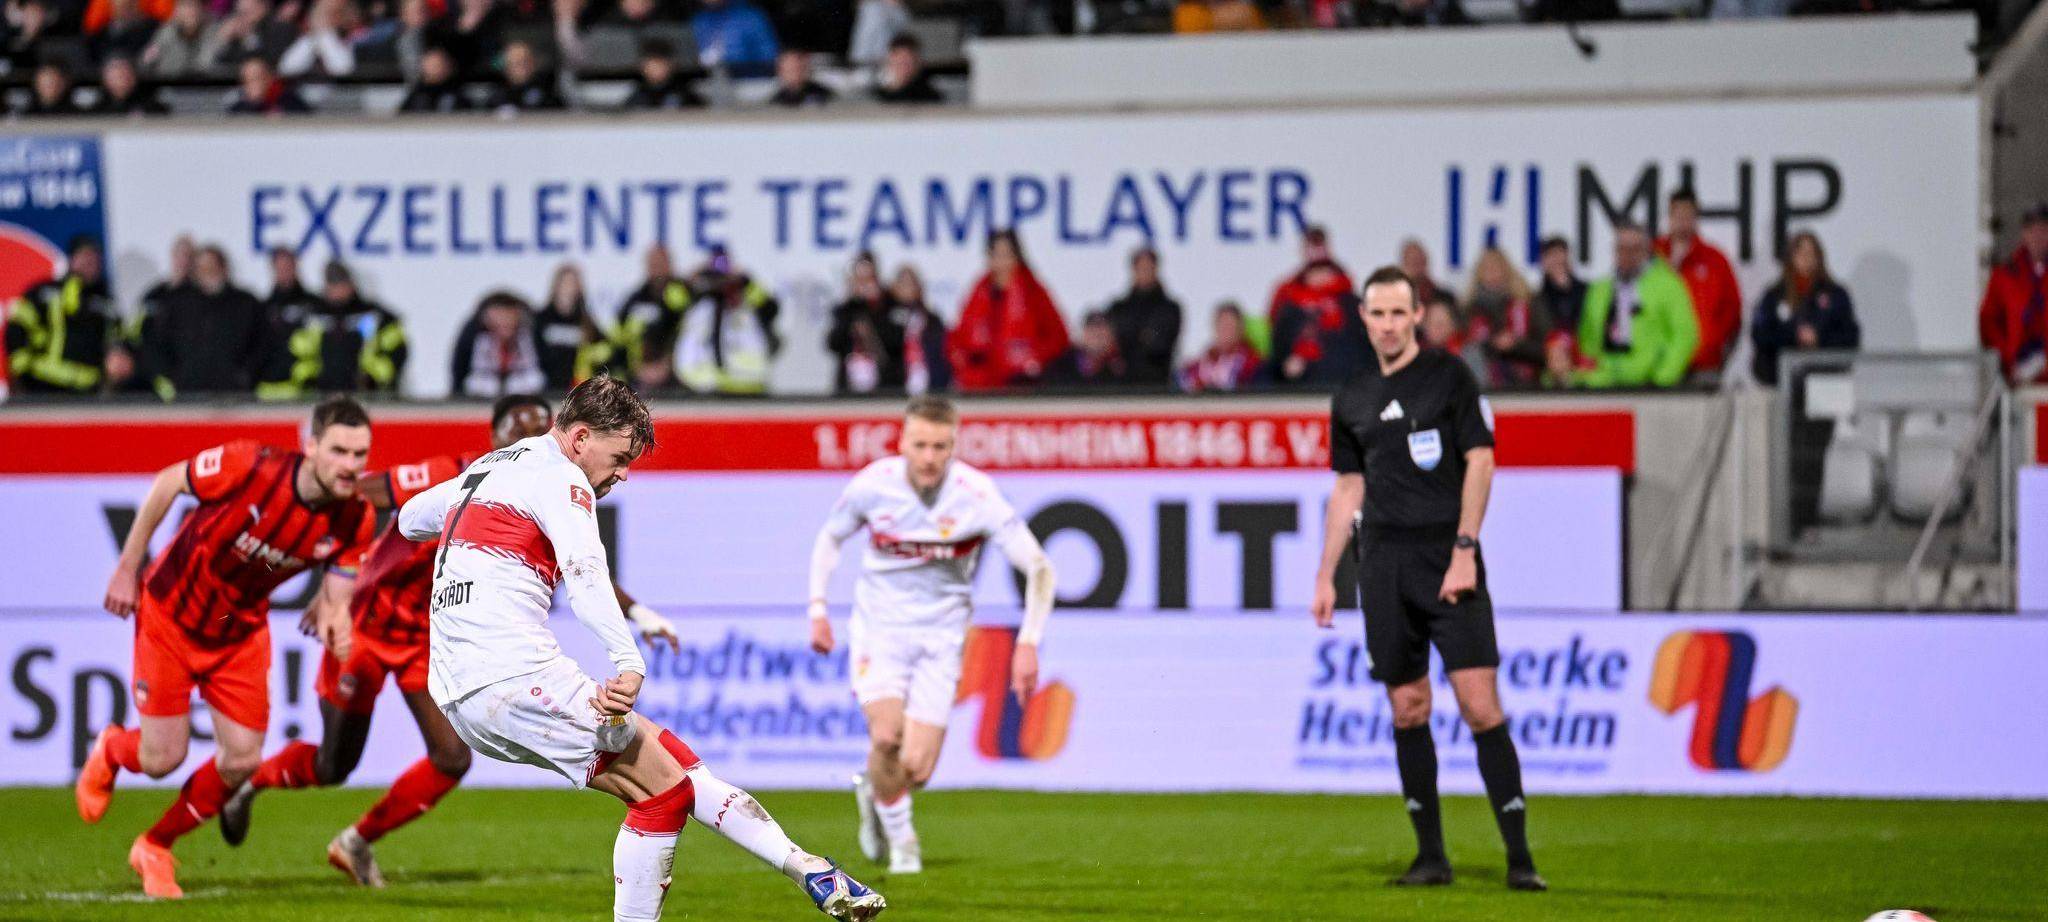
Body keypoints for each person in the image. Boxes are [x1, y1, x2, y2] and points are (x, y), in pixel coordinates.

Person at [397, 376, 887, 920]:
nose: (623, 473)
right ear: (580, 437)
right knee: (660, 796)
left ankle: (808, 867)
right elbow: (585, 573)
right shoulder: (563, 479)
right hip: (509, 676)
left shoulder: (494, 466)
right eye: (620, 456)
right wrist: (628, 661)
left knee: (680, 771)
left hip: (464, 688)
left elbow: (409, 518)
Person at [215, 395, 682, 886]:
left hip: (425, 637)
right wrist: (336, 576)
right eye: (515, 431)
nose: (528, 439)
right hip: (365, 626)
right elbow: (363, 493)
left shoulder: (542, 485)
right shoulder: (451, 476)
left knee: (452, 756)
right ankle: (252, 782)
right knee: (334, 764)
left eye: (538, 429)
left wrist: (638, 613)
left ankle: (356, 842)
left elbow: (582, 569)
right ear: (495, 436)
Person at [78, 397, 379, 899]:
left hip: (238, 634)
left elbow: (337, 592)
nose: (351, 465)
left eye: (360, 454)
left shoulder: (355, 519)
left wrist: (335, 617)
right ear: (311, 447)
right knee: (161, 759)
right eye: (340, 452)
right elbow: (168, 482)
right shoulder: (249, 464)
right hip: (170, 616)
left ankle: (154, 845)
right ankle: (111, 748)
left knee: (242, 761)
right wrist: (128, 567)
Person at [1310, 266, 1545, 893]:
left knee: (1479, 704)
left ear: (1417, 315)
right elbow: (1348, 487)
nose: (1387, 324)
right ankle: (1431, 857)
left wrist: (1466, 546)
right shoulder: (1352, 395)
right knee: (1408, 707)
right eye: (1376, 314)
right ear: (1363, 317)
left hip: (1446, 559)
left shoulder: (1449, 377)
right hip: (1382, 565)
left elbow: (1482, 460)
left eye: (1398, 313)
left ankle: (1519, 858)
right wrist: (1327, 573)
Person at [808, 395, 1055, 875]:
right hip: (881, 630)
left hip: (942, 638)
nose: (929, 457)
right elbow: (830, 538)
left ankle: (873, 793)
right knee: (886, 736)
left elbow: (1039, 566)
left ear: (954, 445)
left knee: (916, 768)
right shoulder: (874, 485)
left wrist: (1028, 641)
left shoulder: (976, 495)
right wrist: (818, 608)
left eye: (940, 446)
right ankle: (904, 848)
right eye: (920, 444)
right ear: (903, 441)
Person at [1573, 223, 1698, 389]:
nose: (1627, 255)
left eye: (1634, 249)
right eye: (1621, 248)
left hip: (1648, 386)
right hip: (1603, 386)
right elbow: (1587, 340)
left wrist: (1663, 378)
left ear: (1646, 251)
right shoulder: (1599, 290)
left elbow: (1685, 335)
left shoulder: (1668, 286)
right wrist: (1590, 375)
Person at [258, 261, 408, 397]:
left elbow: (396, 352)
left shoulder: (376, 317)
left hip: (368, 397)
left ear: (351, 284)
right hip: (322, 397)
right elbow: (298, 354)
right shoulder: (314, 318)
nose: (337, 290)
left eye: (341, 284)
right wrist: (309, 380)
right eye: (332, 284)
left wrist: (373, 379)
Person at [947, 230, 1068, 391]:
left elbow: (1058, 336)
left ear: (1017, 256)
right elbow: (960, 337)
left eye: (1007, 254)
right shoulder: (979, 291)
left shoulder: (1033, 291)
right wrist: (967, 362)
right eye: (996, 254)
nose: (1001, 261)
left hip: (1021, 384)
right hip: (980, 386)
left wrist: (1033, 358)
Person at [143, 244, 267, 399]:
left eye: (212, 267)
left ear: (224, 269)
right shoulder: (177, 303)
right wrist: (175, 377)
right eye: (202, 268)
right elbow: (157, 344)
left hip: (235, 395)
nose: (207, 272)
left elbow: (262, 346)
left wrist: (246, 376)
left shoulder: (246, 304)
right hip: (188, 394)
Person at [5, 235, 119, 395]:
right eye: (85, 256)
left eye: (95, 258)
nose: (90, 263)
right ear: (72, 259)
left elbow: (116, 342)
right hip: (41, 385)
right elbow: (16, 329)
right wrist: (22, 370)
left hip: (87, 392)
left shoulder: (106, 302)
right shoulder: (43, 292)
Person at [1750, 231, 1859, 387]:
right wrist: (1794, 336)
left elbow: (1850, 337)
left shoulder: (1836, 295)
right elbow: (1760, 334)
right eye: (1800, 252)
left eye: (1811, 252)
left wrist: (1819, 339)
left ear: (1819, 257)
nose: (1806, 258)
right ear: (1791, 257)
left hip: (1825, 380)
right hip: (1780, 380)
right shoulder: (1774, 295)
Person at [1656, 188, 1743, 379]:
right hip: (1657, 365)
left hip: (1702, 363)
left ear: (1696, 217)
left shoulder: (1715, 260)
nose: (1683, 222)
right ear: (1669, 217)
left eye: (1688, 216)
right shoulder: (1653, 257)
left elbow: (1732, 311)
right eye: (1678, 215)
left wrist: (1713, 343)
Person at [675, 247, 782, 395]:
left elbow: (771, 308)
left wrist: (743, 282)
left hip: (749, 388)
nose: (721, 282)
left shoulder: (747, 305)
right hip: (706, 389)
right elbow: (672, 306)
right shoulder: (700, 304)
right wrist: (690, 280)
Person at [1268, 229, 1362, 387]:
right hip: (1301, 386)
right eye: (1315, 270)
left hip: (1344, 384)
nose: (1320, 277)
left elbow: (1361, 346)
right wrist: (1285, 365)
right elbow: (1278, 348)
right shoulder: (1290, 305)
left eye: (1324, 270)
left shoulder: (1350, 304)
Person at [1978, 201, 2048, 386]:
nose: (2038, 237)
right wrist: (2008, 357)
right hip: (2016, 377)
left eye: (2044, 230)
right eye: (2033, 230)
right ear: (2024, 234)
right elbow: (1988, 322)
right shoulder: (2005, 275)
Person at [1463, 247, 1549, 388]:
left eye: (1496, 267)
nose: (1491, 272)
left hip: (1529, 385)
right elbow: (1463, 349)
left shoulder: (1529, 302)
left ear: (1507, 270)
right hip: (1484, 387)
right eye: (1486, 268)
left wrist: (1517, 345)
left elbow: (1547, 347)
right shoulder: (1468, 310)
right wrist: (1492, 344)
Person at [1101, 246, 1182, 387]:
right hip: (1121, 386)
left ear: (1156, 270)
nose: (1144, 272)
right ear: (1133, 270)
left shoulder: (1169, 309)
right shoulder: (1118, 308)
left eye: (1148, 267)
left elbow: (1159, 346)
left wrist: (1130, 336)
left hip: (1158, 384)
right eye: (1140, 267)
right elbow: (1111, 346)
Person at [826, 252, 903, 395]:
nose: (864, 286)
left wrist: (874, 309)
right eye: (859, 280)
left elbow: (896, 342)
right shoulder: (845, 310)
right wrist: (853, 306)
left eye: (868, 280)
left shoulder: (890, 306)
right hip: (849, 388)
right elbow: (832, 343)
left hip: (884, 387)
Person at [613, 243, 692, 384]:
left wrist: (667, 365)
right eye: (652, 264)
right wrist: (636, 368)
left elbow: (689, 332)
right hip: (639, 377)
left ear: (669, 265)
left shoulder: (685, 293)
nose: (656, 269)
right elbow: (620, 338)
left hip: (677, 376)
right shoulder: (635, 299)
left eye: (660, 263)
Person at [450, 290, 547, 398]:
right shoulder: (478, 338)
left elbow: (536, 375)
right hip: (483, 397)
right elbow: (464, 374)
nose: (504, 321)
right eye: (499, 315)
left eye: (508, 315)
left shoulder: (528, 337)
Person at [533, 262, 613, 390]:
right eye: (565, 283)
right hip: (549, 387)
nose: (569, 288)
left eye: (573, 283)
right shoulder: (541, 318)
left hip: (578, 387)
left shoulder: (587, 321)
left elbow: (604, 348)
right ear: (556, 286)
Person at [1178, 301, 1263, 393]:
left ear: (1240, 329)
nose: (1225, 331)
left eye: (1230, 326)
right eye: (1222, 325)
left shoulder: (1253, 364)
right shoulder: (1201, 363)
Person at [889, 265, 949, 395]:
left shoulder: (932, 320)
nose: (908, 289)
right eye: (903, 284)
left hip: (930, 387)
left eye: (911, 284)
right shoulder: (887, 319)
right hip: (895, 388)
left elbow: (941, 355)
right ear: (894, 288)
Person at [691, 0, 779, 76]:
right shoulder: (699, 21)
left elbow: (770, 58)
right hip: (708, 83)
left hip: (749, 83)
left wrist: (733, 66)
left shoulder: (750, 17)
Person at [1045, 310, 1129, 387]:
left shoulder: (1122, 368)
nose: (1097, 334)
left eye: (1102, 331)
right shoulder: (1061, 367)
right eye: (1092, 330)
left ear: (1112, 337)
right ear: (1081, 335)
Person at [619, 38, 704, 110]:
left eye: (660, 63)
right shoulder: (637, 97)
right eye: (652, 64)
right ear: (642, 66)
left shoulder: (685, 95)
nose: (657, 69)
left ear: (672, 64)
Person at [487, 38, 567, 111]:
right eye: (516, 63)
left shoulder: (548, 93)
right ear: (506, 68)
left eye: (525, 61)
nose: (523, 67)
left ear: (534, 64)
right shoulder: (497, 97)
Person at [1531, 235, 1585, 339]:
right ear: (1544, 262)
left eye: (1560, 253)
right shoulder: (1537, 299)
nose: (1557, 260)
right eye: (1551, 255)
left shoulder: (1586, 291)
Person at [226, 55, 312, 115]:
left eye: (256, 78)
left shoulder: (289, 100)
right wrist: (254, 104)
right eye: (247, 80)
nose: (252, 85)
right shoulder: (239, 107)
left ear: (269, 78)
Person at [395, 44, 471, 111]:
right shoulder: (416, 96)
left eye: (438, 65)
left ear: (448, 67)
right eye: (431, 65)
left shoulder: (456, 95)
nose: (434, 69)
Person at [870, 33, 941, 104]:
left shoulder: (929, 97)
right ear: (889, 61)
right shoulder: (876, 96)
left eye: (908, 63)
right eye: (900, 62)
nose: (904, 68)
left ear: (918, 63)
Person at [91, 55, 170, 114]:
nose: (122, 80)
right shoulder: (96, 110)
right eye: (117, 76)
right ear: (106, 80)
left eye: (126, 75)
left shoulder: (150, 107)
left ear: (134, 78)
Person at [768, 47, 833, 107]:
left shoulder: (825, 96)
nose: (794, 74)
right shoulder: (775, 100)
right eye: (790, 70)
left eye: (798, 68)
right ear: (780, 71)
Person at [19, 62, 84, 115]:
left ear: (64, 83)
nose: (51, 87)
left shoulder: (76, 114)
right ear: (36, 83)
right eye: (46, 84)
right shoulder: (24, 113)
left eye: (55, 83)